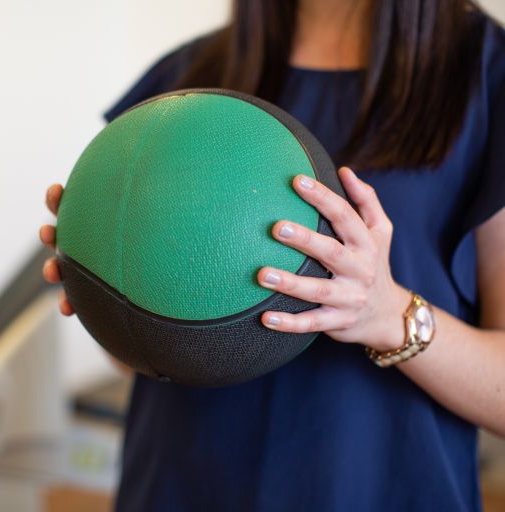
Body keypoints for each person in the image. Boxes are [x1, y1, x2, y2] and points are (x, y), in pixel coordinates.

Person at [40, 0, 505, 510]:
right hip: (179, 487)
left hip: (376, 490)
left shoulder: (486, 76)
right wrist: (107, 294)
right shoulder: (187, 80)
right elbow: (142, 359)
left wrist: (389, 314)